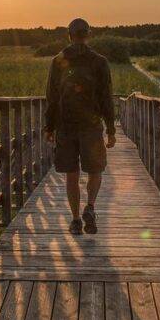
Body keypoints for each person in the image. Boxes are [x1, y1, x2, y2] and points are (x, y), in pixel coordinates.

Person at [43, 18, 116, 235]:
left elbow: (52, 97)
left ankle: (75, 221)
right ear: (88, 34)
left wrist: (49, 127)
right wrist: (111, 129)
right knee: (96, 169)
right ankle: (90, 206)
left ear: (69, 35)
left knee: (71, 174)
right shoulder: (100, 61)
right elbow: (106, 98)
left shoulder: (58, 60)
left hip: (66, 126)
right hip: (91, 126)